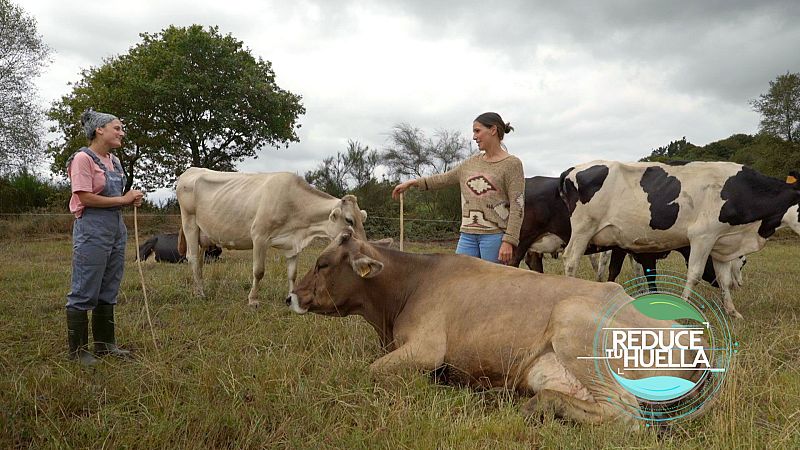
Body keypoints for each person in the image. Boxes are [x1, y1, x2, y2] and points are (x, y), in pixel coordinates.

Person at [65, 109, 144, 366]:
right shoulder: (82, 159)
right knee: (85, 286)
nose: (122, 133)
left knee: (109, 286)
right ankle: (78, 352)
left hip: (115, 227)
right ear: (100, 130)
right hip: (92, 228)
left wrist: (133, 198)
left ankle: (105, 345)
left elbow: (116, 197)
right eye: (117, 128)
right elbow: (84, 196)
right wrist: (123, 199)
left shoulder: (115, 161)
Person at [392, 112, 525, 264]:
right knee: (459, 283)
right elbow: (443, 179)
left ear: (493, 130)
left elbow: (518, 205)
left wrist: (509, 240)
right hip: (467, 236)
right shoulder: (470, 163)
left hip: (494, 238)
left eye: (477, 131)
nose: (474, 137)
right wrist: (413, 182)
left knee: (494, 286)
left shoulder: (512, 164)